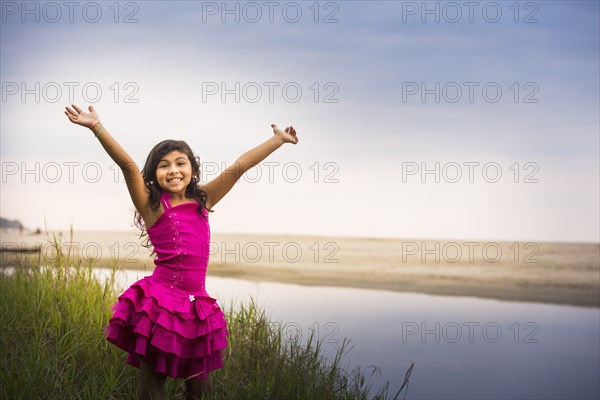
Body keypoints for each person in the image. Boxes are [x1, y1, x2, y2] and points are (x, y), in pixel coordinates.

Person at [64, 104, 298, 399]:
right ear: (154, 174)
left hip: (196, 306)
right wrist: (97, 127)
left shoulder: (204, 199)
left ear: (193, 169)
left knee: (201, 388)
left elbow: (239, 167)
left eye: (180, 163)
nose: (173, 170)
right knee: (152, 386)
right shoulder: (152, 206)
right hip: (160, 304)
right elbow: (127, 165)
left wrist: (277, 140)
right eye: (164, 165)